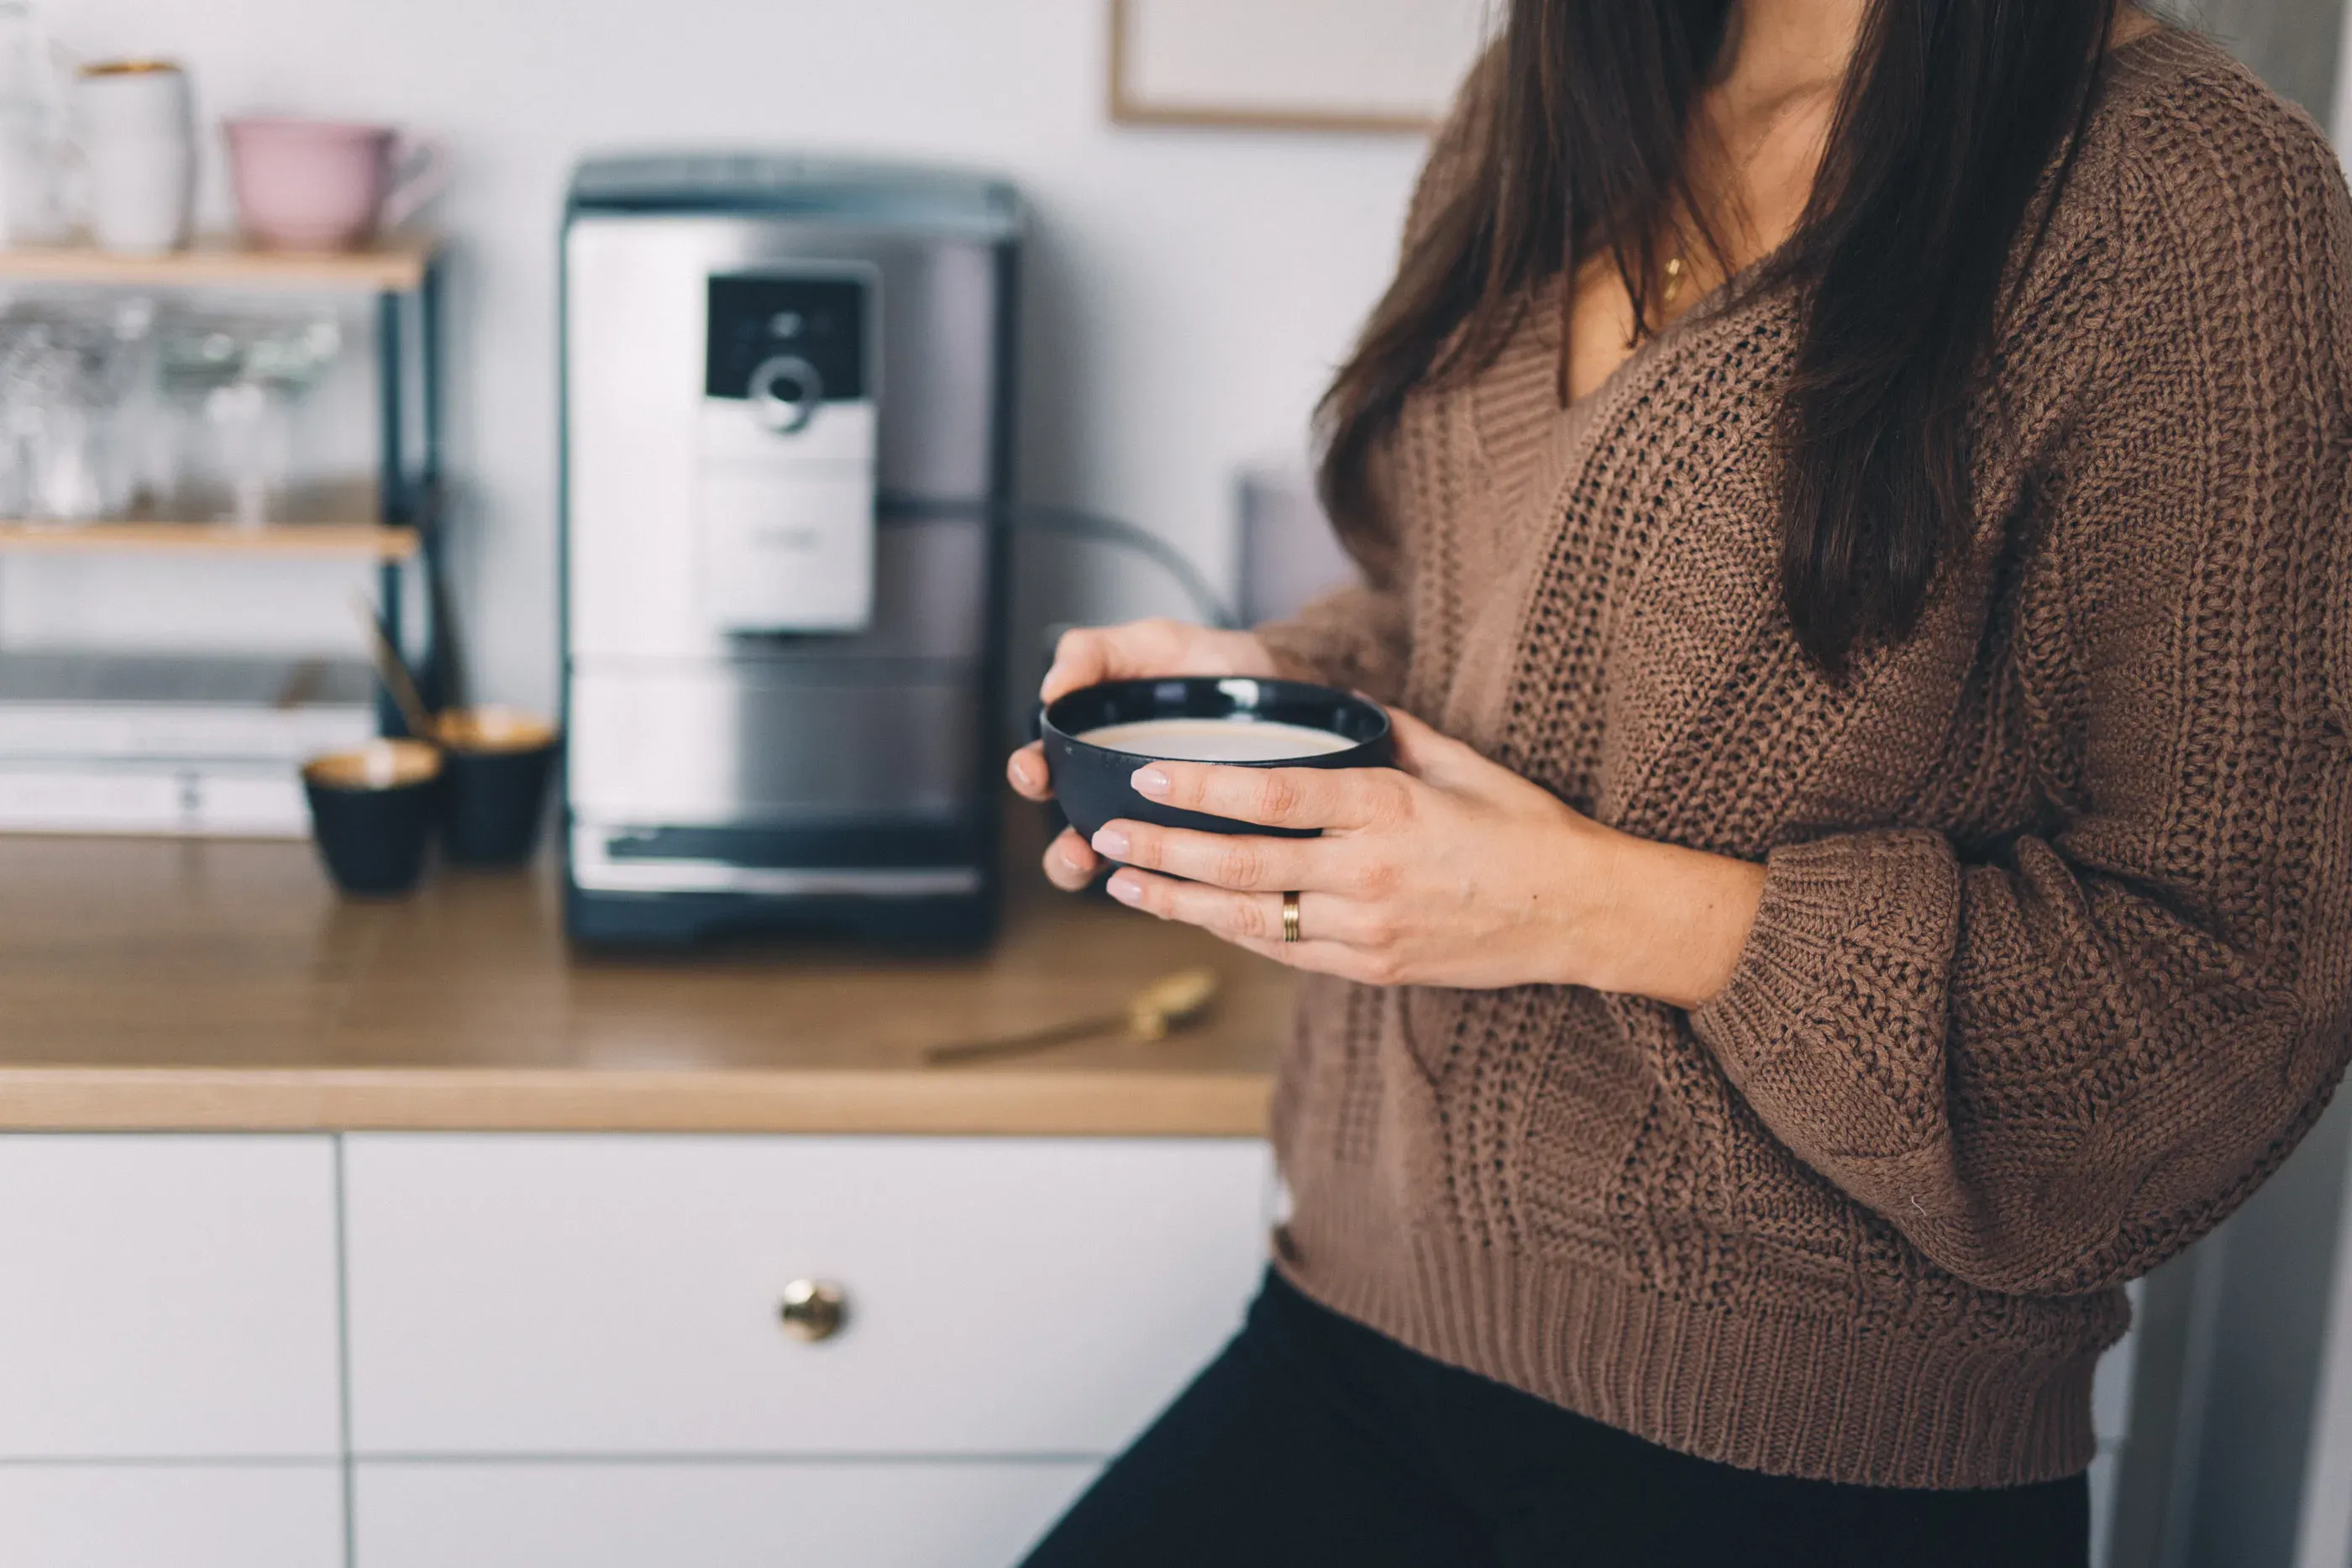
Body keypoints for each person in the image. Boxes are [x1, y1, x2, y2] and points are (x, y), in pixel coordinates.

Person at [1007, 3, 2352, 1565]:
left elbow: (2221, 997)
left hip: (1812, 1454)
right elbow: (1458, 610)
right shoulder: (1559, 86)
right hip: (1358, 1318)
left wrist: (1600, 909)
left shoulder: (2194, 201)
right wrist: (1267, 701)